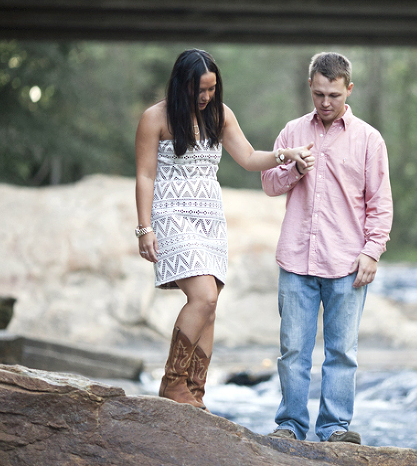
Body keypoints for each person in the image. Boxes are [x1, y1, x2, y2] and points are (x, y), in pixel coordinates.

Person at [135, 49, 315, 411]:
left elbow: (249, 158)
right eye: (200, 90)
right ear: (181, 84)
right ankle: (172, 383)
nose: (206, 97)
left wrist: (285, 154)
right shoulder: (155, 117)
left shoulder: (220, 114)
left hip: (210, 218)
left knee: (211, 307)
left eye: (212, 89)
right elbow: (145, 175)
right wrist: (144, 228)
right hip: (172, 214)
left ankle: (195, 391)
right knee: (203, 297)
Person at [261, 52, 393, 443]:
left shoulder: (369, 139)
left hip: (348, 262)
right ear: (310, 87)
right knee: (292, 352)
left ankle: (335, 428)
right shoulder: (291, 132)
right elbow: (268, 184)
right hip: (296, 260)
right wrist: (294, 168)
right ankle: (290, 427)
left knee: (341, 353)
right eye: (318, 94)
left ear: (348, 89)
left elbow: (380, 203)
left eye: (333, 94)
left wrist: (372, 251)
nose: (325, 103)